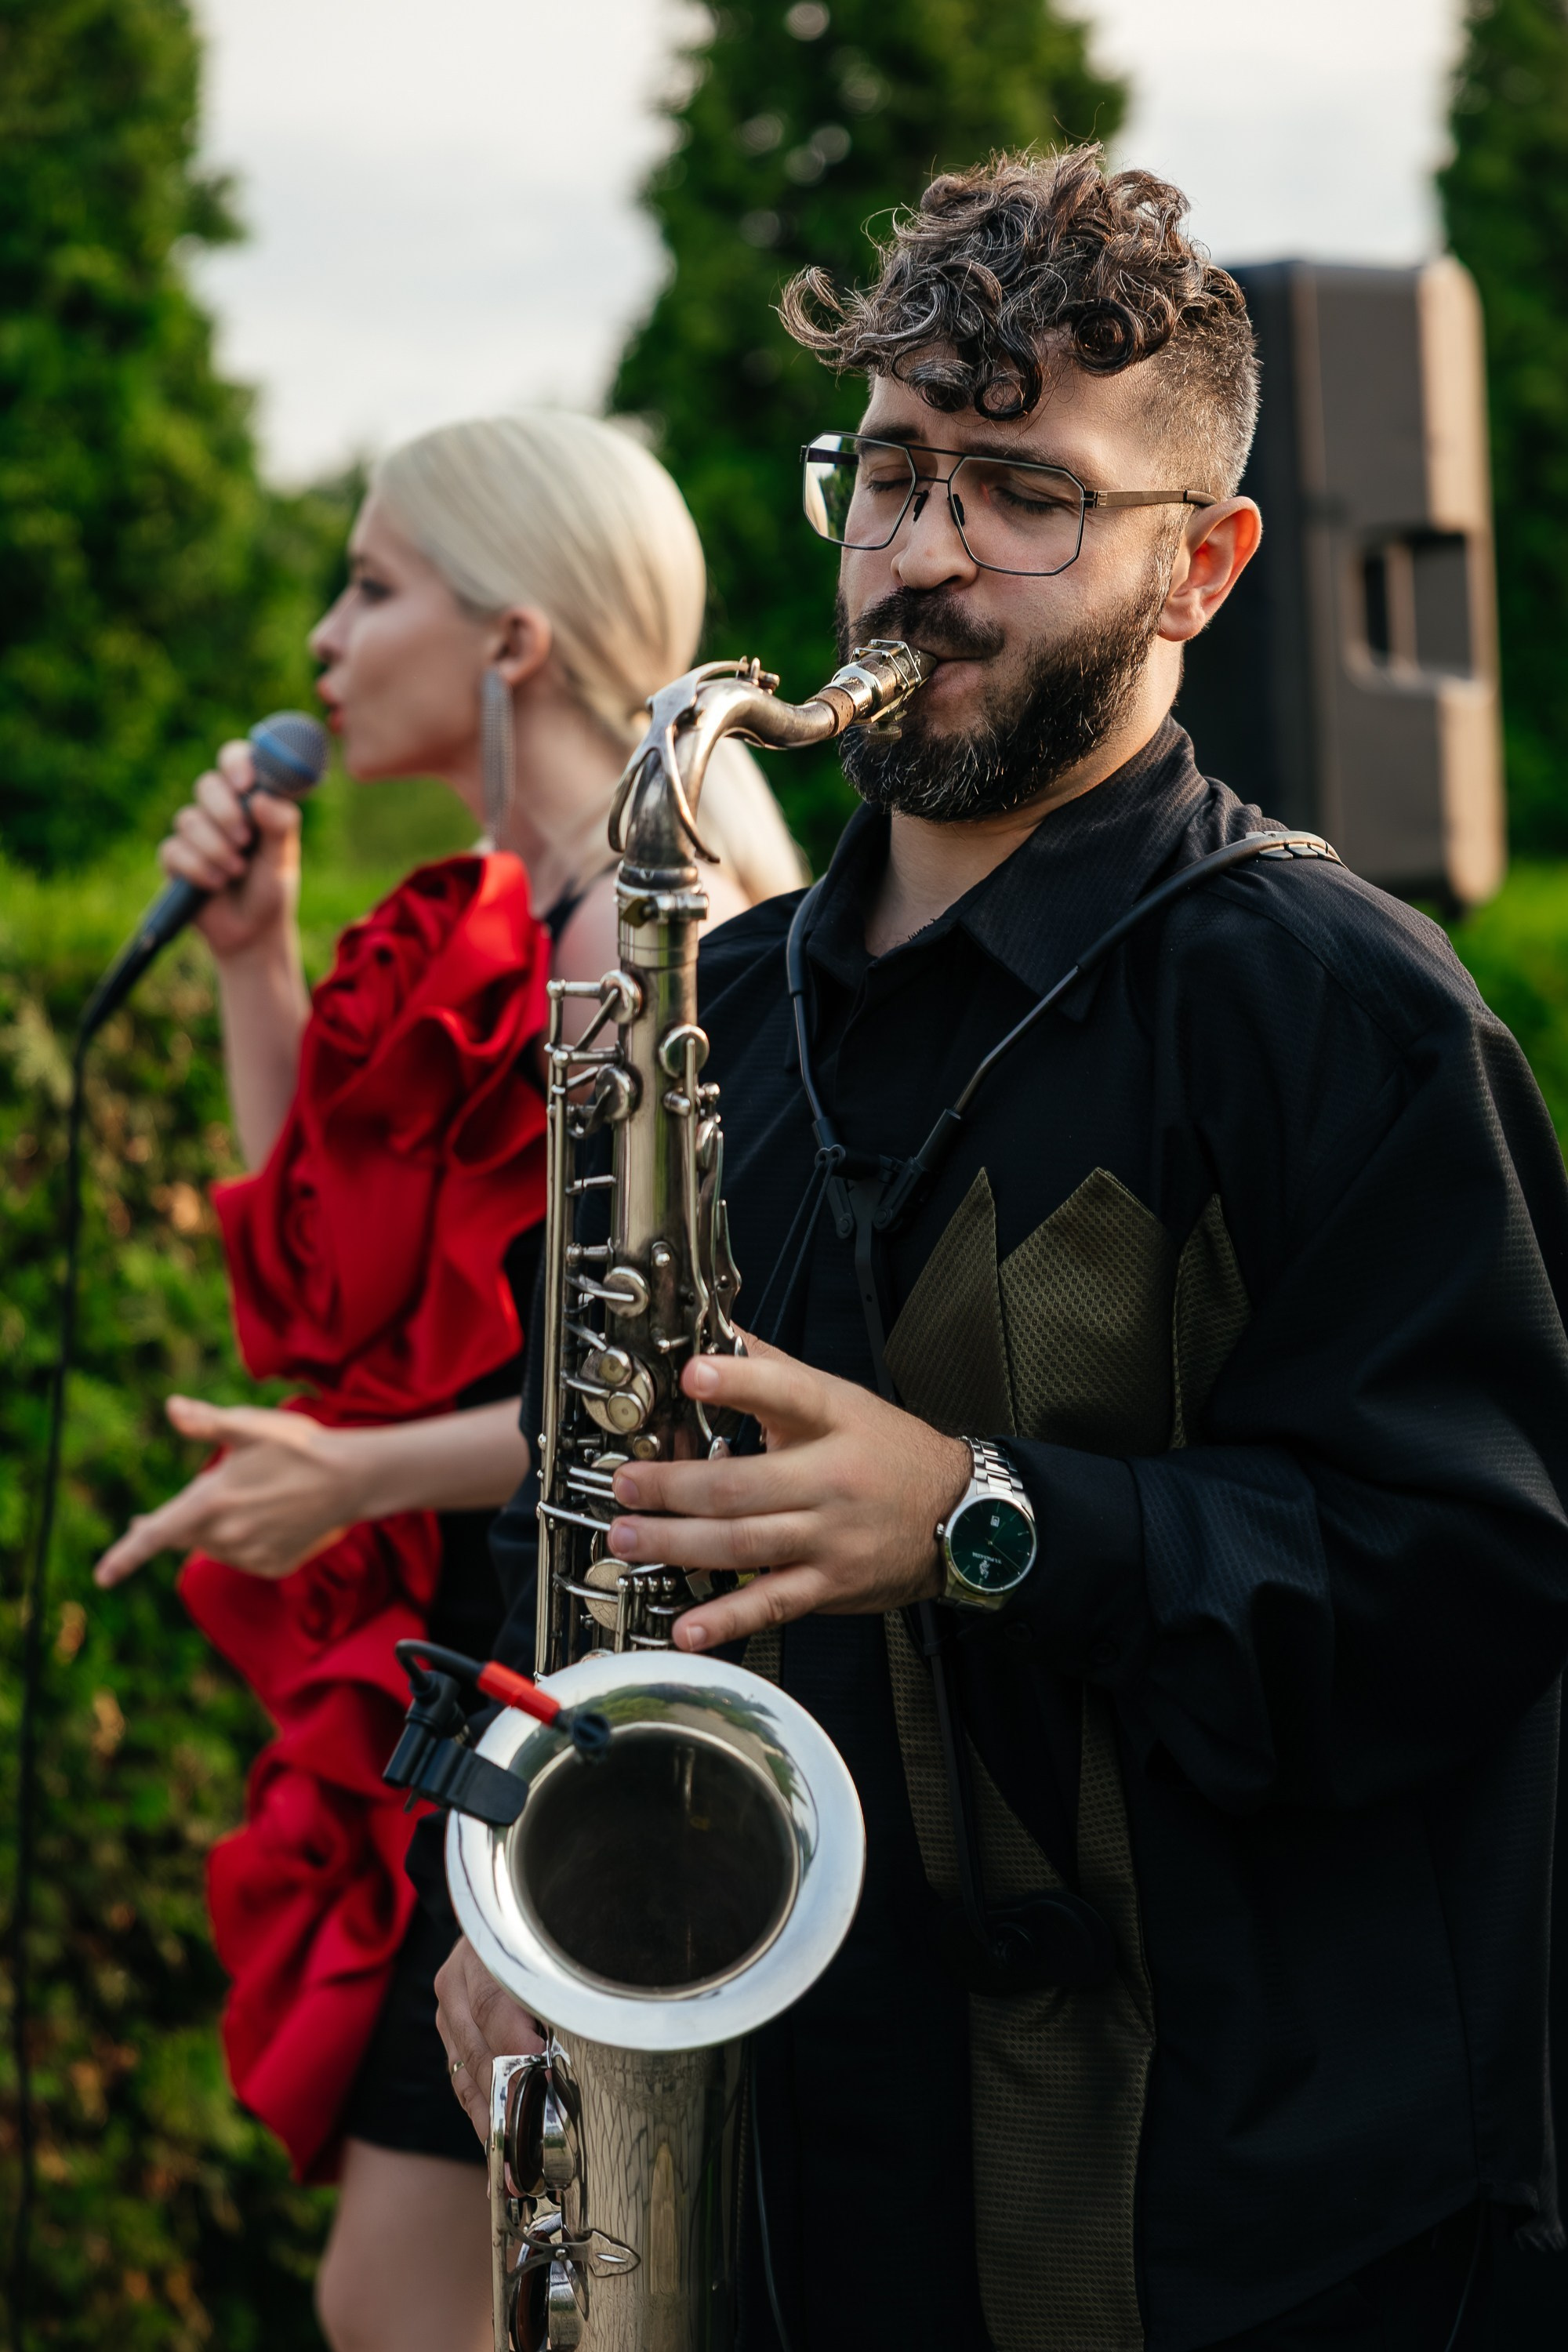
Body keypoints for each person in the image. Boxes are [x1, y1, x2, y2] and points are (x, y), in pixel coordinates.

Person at [434, 153, 1568, 2352]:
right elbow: (561, 1540)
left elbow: (1483, 1580)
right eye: (897, 475)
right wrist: (486, 1901)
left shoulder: (1346, 1008)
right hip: (784, 2202)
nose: (928, 559)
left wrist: (979, 1521)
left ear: (1205, 566)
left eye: (1025, 493)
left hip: (1229, 2230)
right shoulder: (717, 1008)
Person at [91, 408, 804, 2352]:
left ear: (509, 640)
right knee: (441, 2288)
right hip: (483, 1686)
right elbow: (329, 1315)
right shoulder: (507, 920)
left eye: (372, 583)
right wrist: (253, 960)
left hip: (595, 1701)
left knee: (447, 2291)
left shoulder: (675, 949)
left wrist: (349, 1477)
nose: (322, 642)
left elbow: (662, 1391)